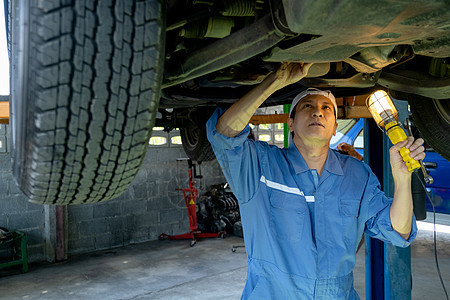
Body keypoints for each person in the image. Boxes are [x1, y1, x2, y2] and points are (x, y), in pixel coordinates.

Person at [206, 63, 425, 299]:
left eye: (326, 108)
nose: (317, 112)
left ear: (333, 128)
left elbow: (399, 230)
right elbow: (224, 135)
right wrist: (276, 80)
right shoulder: (260, 166)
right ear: (290, 123)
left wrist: (402, 179)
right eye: (307, 106)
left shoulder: (357, 175)